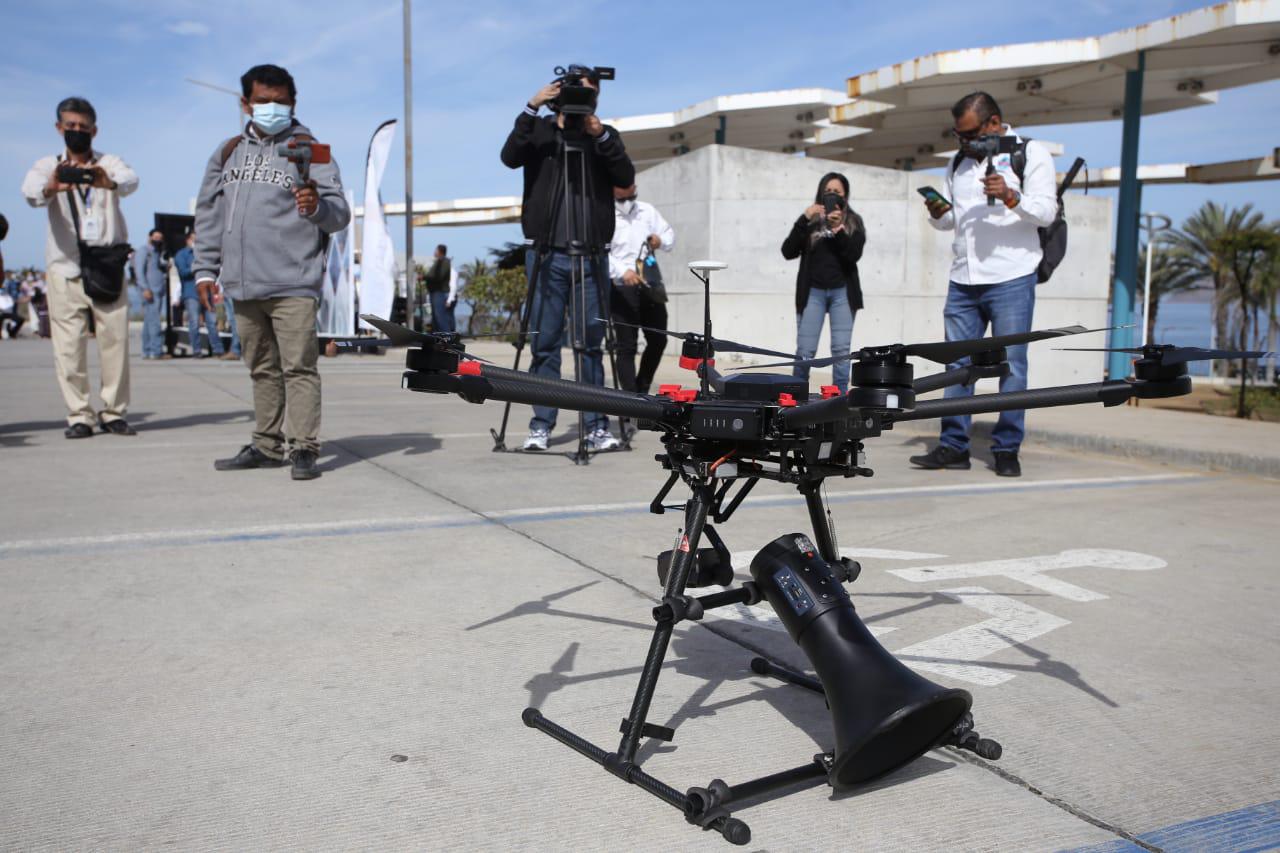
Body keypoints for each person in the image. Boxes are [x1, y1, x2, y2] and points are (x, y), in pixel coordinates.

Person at [195, 63, 350, 480]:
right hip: (242, 284)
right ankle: (266, 444)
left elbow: (339, 216)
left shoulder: (311, 149)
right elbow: (209, 215)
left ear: (293, 102)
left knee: (298, 367)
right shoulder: (227, 152)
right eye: (263, 102)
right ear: (245, 104)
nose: (272, 108)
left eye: (280, 102)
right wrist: (205, 271)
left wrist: (316, 205)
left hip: (293, 282)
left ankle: (304, 448)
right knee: (261, 367)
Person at [909, 92, 1057, 478]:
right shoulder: (958, 163)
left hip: (1011, 276)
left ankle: (1007, 448)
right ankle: (953, 445)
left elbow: (1046, 211)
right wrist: (938, 213)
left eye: (970, 134)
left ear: (993, 123)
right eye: (958, 135)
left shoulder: (1030, 152)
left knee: (1012, 366)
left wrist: (1011, 196)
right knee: (957, 366)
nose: (963, 142)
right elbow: (952, 222)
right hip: (963, 279)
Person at [501, 65, 635, 452]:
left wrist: (602, 136)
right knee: (544, 344)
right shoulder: (540, 131)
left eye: (591, 93)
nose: (584, 98)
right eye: (577, 91)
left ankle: (596, 425)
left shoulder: (602, 137)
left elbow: (625, 176)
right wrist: (531, 107)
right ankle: (542, 424)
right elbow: (509, 157)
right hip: (546, 255)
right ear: (558, 92)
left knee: (591, 344)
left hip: (591, 256)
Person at [21, 96, 139, 438]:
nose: (76, 132)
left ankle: (114, 411)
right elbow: (29, 192)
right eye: (70, 126)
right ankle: (79, 415)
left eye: (83, 128)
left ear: (94, 130)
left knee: (115, 342)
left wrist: (108, 182)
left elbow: (131, 180)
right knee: (68, 346)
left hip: (106, 266)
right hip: (65, 266)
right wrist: (52, 187)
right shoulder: (48, 165)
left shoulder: (109, 162)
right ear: (59, 128)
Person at [780, 172, 865, 394]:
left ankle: (839, 399)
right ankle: (796, 396)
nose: (832, 196)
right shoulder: (810, 221)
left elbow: (853, 255)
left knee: (841, 351)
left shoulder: (853, 222)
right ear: (820, 192)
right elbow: (788, 251)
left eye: (837, 192)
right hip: (812, 294)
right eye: (828, 191)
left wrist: (838, 231)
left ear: (846, 195)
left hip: (842, 294)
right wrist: (804, 218)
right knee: (805, 351)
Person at [608, 182, 674, 394]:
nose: (626, 203)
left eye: (630, 198)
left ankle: (642, 388)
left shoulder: (647, 211)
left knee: (658, 339)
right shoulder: (605, 216)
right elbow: (601, 252)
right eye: (621, 199)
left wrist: (659, 240)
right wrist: (621, 272)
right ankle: (630, 400)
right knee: (626, 346)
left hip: (649, 284)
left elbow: (669, 236)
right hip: (622, 287)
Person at [174, 231, 223, 358]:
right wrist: (199, 268)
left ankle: (218, 350)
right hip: (191, 294)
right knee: (194, 322)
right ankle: (197, 350)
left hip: (207, 293)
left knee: (212, 322)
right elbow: (183, 272)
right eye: (194, 239)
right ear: (188, 240)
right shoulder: (181, 255)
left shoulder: (205, 255)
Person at [135, 228, 170, 359]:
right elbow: (139, 271)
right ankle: (157, 351)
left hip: (158, 290)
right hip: (150, 291)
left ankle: (147, 350)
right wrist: (145, 288)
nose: (158, 240)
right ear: (149, 237)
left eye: (160, 238)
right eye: (156, 237)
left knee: (149, 322)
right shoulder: (144, 251)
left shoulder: (158, 253)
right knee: (155, 322)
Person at [424, 243, 455, 333]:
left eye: (436, 250)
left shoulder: (444, 262)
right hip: (434, 292)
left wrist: (426, 277)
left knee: (440, 317)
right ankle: (437, 337)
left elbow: (439, 276)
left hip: (440, 292)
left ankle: (447, 337)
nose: (434, 252)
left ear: (440, 251)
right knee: (435, 318)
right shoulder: (438, 261)